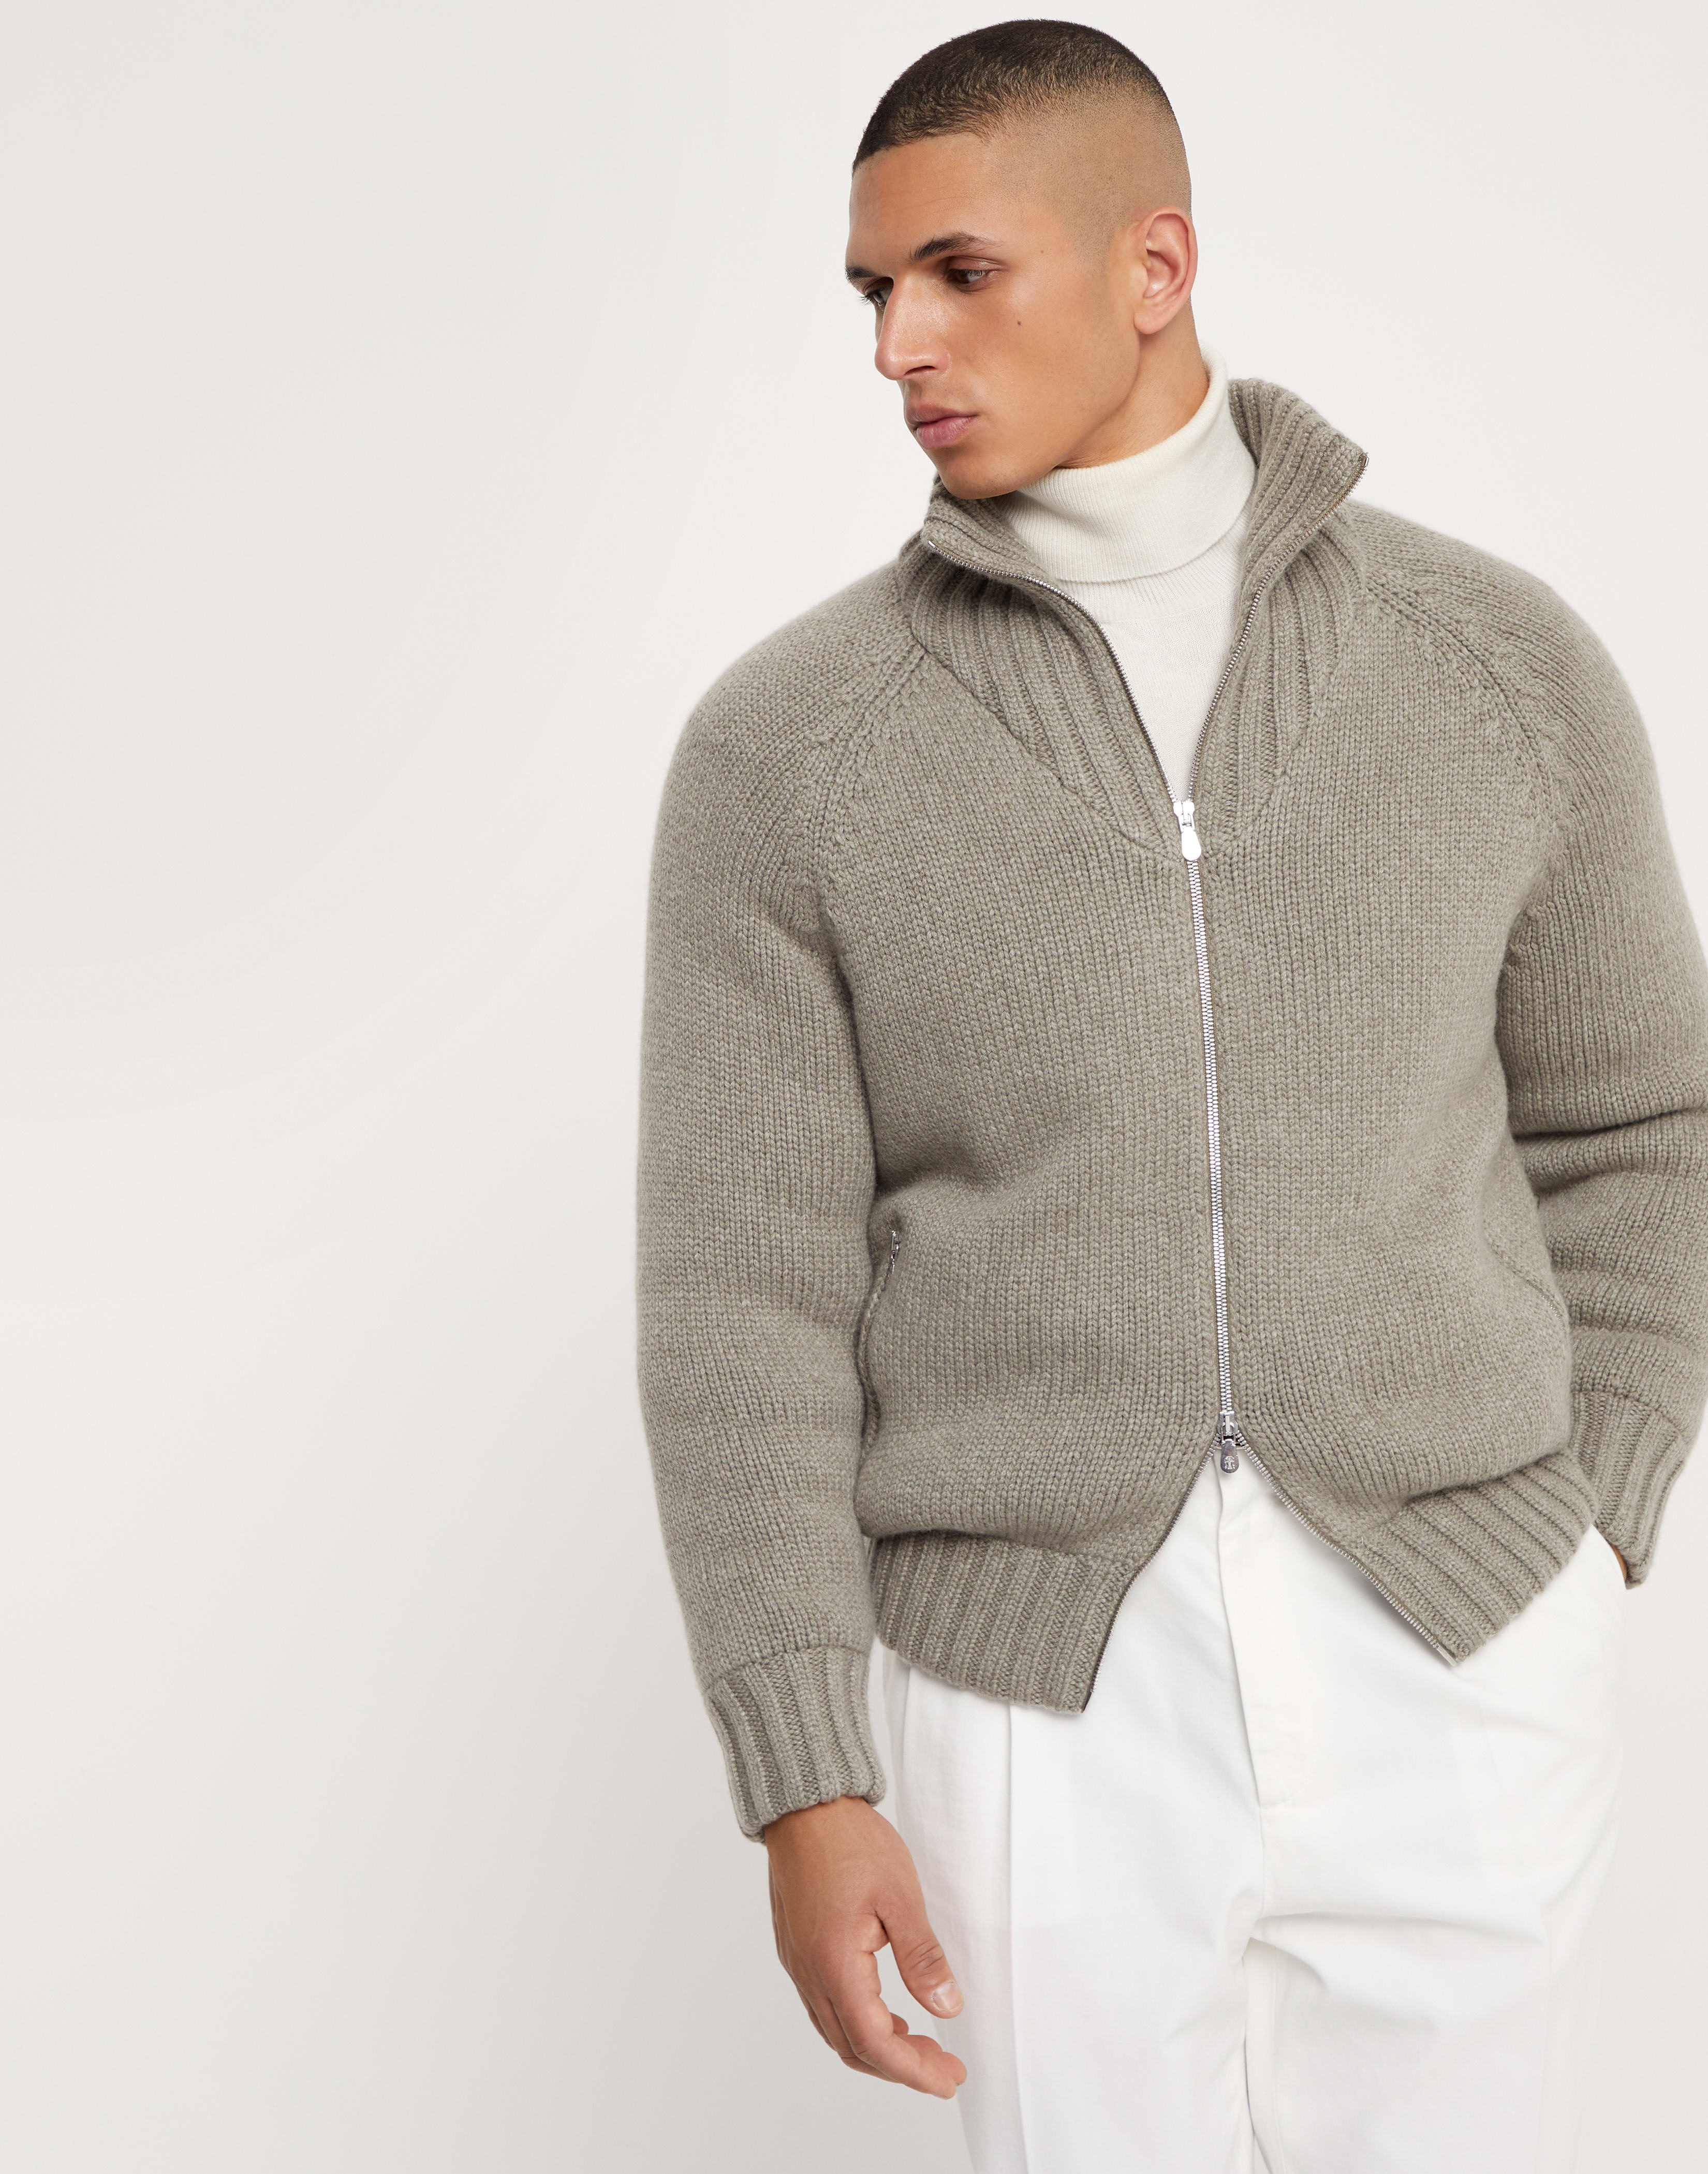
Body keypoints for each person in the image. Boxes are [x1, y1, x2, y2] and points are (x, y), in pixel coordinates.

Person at [636, 20, 1708, 2171]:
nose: (898, 346)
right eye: (872, 292)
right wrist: (806, 1772)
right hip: (1036, 1688)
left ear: (1154, 266)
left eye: (959, 272)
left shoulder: (1496, 666)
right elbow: (738, 1290)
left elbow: (1643, 1123)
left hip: (1463, 1635)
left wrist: (1592, 1513)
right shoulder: (791, 747)